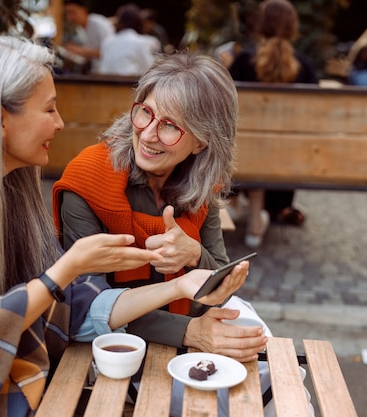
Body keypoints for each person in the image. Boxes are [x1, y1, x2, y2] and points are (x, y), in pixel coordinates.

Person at [0, 35, 249, 417]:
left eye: (170, 126)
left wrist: (184, 278)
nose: (61, 123)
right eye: (49, 109)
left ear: (200, 144)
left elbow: (77, 307)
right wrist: (65, 270)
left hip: (33, 381)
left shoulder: (9, 189)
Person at [53, 53, 291, 416]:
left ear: (200, 142)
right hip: (117, 341)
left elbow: (220, 281)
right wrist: (192, 332)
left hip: (190, 320)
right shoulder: (88, 179)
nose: (147, 134)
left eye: (169, 126)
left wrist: (193, 254)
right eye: (145, 112)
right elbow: (88, 307)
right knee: (209, 400)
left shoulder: (201, 182)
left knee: (272, 371)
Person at [228, 0, 317, 248]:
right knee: (265, 146)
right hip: (285, 161)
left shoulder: (244, 61)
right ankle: (256, 219)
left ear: (260, 25)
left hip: (240, 157)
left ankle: (238, 206)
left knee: (245, 140)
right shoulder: (304, 67)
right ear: (292, 27)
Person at [99, 3, 158, 76]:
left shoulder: (107, 41)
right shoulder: (141, 42)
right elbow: (148, 68)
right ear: (138, 22)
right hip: (126, 84)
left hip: (103, 83)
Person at [61, 0, 114, 73]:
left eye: (73, 12)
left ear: (84, 10)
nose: (70, 17)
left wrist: (80, 51)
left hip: (108, 73)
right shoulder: (80, 29)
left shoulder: (99, 24)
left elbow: (111, 51)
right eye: (67, 13)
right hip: (95, 72)